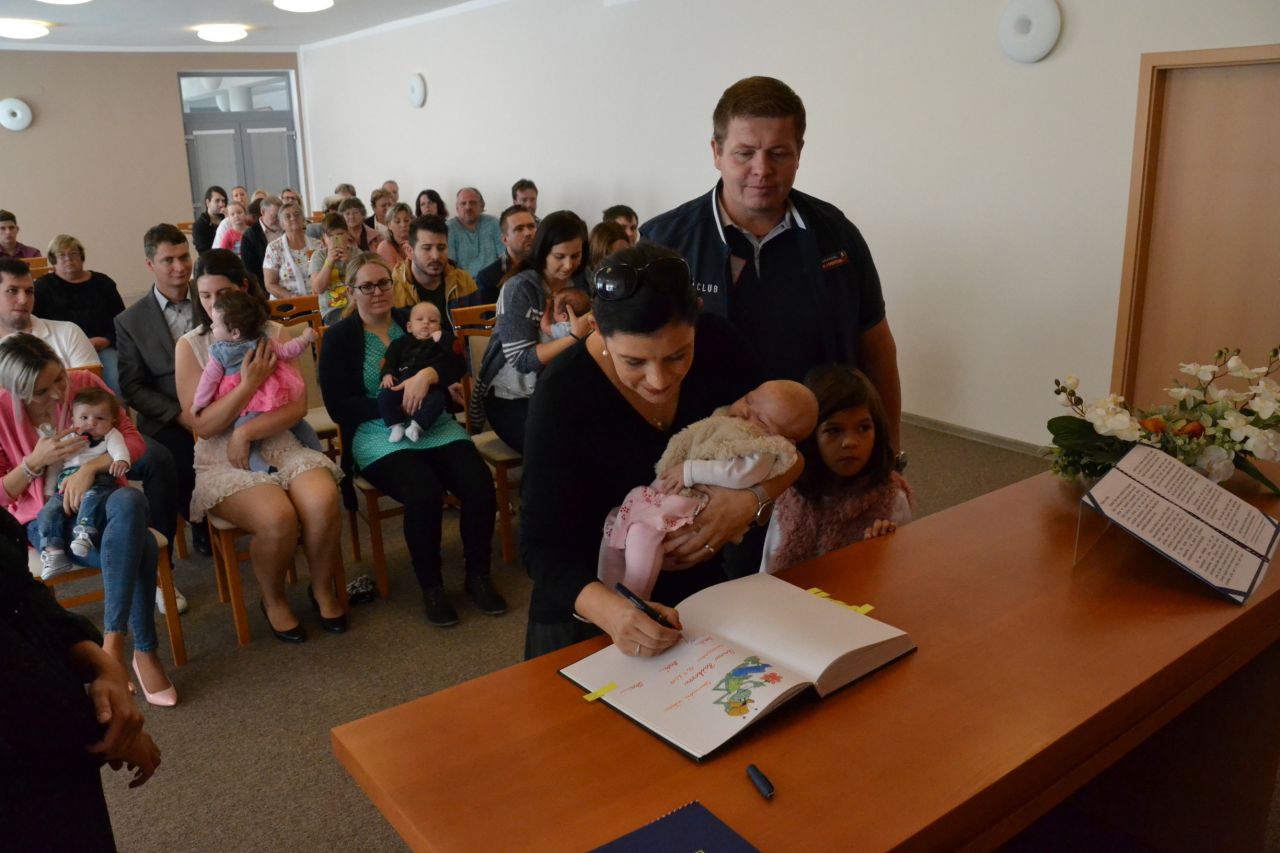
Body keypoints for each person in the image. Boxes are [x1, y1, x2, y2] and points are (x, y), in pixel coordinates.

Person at [521, 242, 798, 659]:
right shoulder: (563, 391)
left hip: (698, 592)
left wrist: (749, 501)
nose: (659, 380)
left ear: (697, 317)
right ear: (596, 328)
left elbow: (788, 451)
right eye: (633, 362)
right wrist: (616, 612)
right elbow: (541, 547)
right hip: (588, 602)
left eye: (678, 355)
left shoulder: (720, 345)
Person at [641, 76, 902, 452]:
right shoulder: (665, 243)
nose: (762, 170)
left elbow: (876, 347)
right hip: (709, 455)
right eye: (745, 153)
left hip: (823, 453)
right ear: (716, 152)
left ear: (799, 152)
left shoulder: (837, 235)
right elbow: (632, 363)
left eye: (778, 153)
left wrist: (890, 453)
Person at [319, 253, 507, 627]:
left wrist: (428, 377)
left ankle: (478, 575)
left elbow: (455, 359)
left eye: (383, 283)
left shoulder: (415, 319)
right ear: (351, 292)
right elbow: (338, 406)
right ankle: (432, 587)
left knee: (478, 484)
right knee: (423, 492)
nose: (377, 292)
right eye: (367, 286)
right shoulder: (339, 337)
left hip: (433, 424)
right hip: (378, 433)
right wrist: (394, 402)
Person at [175, 249, 347, 641]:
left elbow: (296, 406)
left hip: (279, 439)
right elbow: (203, 425)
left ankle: (321, 588)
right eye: (205, 295)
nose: (213, 304)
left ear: (243, 288)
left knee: (322, 500)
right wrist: (249, 384)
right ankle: (274, 600)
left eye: (222, 293)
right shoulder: (193, 345)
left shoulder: (272, 333)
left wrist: (245, 432)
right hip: (223, 457)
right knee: (277, 518)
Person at [0, 333, 177, 705]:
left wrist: (89, 469)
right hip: (47, 520)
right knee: (141, 543)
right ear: (16, 391)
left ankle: (111, 648)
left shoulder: (84, 383)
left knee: (129, 498)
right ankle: (144, 651)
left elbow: (133, 441)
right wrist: (34, 462)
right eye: (41, 391)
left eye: (58, 379)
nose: (57, 394)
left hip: (107, 499)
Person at [1, 504, 161, 851]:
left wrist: (98, 661)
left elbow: (16, 588)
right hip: (26, 764)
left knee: (131, 513)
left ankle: (120, 643)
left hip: (57, 761)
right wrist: (108, 730)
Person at [600, 379, 817, 599]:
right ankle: (609, 592)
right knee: (616, 525)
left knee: (641, 532)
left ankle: (634, 597)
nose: (745, 412)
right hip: (664, 500)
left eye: (761, 419)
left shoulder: (762, 448)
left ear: (782, 439)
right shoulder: (721, 421)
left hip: (691, 506)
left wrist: (689, 471)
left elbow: (739, 474)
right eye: (748, 400)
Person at [115, 224, 212, 571]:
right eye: (168, 260)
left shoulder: (210, 296)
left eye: (184, 257)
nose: (179, 267)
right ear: (150, 264)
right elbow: (132, 386)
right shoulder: (130, 321)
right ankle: (198, 523)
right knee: (177, 459)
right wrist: (179, 415)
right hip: (167, 415)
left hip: (220, 403)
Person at [761, 366, 911, 574]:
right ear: (811, 436)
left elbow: (899, 575)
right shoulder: (790, 494)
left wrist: (878, 549)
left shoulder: (891, 501)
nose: (850, 442)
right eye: (834, 430)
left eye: (863, 428)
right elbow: (768, 568)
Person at [470, 211, 592, 453]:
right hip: (514, 396)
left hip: (566, 389)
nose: (569, 265)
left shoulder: (584, 280)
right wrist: (574, 338)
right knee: (556, 449)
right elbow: (522, 360)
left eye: (575, 256)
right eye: (559, 257)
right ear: (543, 251)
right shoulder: (519, 288)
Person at [191, 285, 319, 473]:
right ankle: (315, 451)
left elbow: (208, 382)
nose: (211, 326)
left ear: (235, 332)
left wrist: (199, 403)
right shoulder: (262, 339)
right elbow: (287, 351)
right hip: (272, 396)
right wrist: (304, 340)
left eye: (215, 325)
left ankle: (265, 467)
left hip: (249, 407)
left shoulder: (220, 353)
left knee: (247, 435)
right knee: (297, 424)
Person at [35, 386, 132, 573]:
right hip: (66, 484)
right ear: (73, 419)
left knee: (93, 500)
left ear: (112, 420)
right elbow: (55, 466)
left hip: (99, 480)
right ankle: (54, 550)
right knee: (48, 512)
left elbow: (120, 449)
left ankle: (85, 533)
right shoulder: (69, 437)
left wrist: (121, 460)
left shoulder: (111, 435)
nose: (91, 423)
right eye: (84, 418)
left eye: (100, 418)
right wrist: (48, 492)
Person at [32, 236, 126, 393]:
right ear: (53, 260)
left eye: (73, 253)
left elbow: (121, 320)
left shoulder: (103, 283)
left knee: (117, 380)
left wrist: (107, 340)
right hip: (60, 351)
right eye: (61, 255)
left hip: (102, 347)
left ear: (82, 257)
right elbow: (36, 323)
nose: (68, 259)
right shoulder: (42, 287)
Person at [0, 258, 100, 372]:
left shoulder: (68, 333)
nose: (23, 300)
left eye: (29, 291)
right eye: (12, 291)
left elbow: (91, 383)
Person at [378, 302, 457, 444]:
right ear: (409, 327)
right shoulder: (400, 343)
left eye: (433, 321)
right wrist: (387, 374)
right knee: (384, 396)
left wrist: (444, 337)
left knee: (438, 400)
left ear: (439, 327)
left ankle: (417, 426)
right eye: (420, 319)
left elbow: (455, 356)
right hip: (402, 383)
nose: (426, 323)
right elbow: (390, 360)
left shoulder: (439, 343)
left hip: (432, 387)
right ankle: (396, 425)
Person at [390, 214, 479, 329]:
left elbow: (479, 332)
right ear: (409, 251)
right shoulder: (393, 289)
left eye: (441, 248)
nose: (436, 256)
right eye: (427, 248)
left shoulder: (464, 282)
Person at [474, 205, 536, 305]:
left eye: (531, 226)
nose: (528, 233)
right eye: (519, 229)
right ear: (505, 239)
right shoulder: (487, 277)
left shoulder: (546, 266)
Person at [262, 201, 320, 299]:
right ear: (282, 224)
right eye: (287, 216)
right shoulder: (274, 248)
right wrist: (291, 297)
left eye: (297, 214)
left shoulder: (318, 245)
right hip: (288, 303)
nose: (293, 218)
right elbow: (270, 284)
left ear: (303, 220)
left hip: (318, 300)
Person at [308, 213, 355, 324]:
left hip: (357, 305)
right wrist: (329, 262)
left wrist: (350, 262)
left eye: (340, 234)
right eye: (330, 236)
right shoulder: (319, 256)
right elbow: (318, 288)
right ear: (324, 238)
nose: (335, 239)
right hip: (332, 309)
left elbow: (365, 281)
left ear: (347, 234)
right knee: (348, 323)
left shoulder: (356, 253)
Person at [447, 187, 503, 278]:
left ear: (482, 205)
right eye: (463, 203)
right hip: (463, 282)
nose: (468, 207)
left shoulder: (494, 223)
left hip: (493, 280)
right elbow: (449, 265)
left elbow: (504, 257)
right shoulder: (449, 228)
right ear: (457, 207)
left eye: (472, 203)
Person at [240, 194, 283, 285]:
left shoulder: (286, 229)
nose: (279, 220)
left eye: (281, 216)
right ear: (263, 212)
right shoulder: (250, 236)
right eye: (275, 216)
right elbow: (251, 271)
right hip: (264, 284)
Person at [376, 202, 414, 269]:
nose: (403, 225)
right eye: (397, 221)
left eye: (406, 220)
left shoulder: (418, 242)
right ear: (389, 225)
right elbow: (393, 274)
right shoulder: (384, 247)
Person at [192, 186, 227, 255]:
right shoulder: (199, 225)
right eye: (217, 200)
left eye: (223, 201)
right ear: (208, 203)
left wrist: (228, 220)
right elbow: (204, 252)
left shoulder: (227, 219)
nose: (221, 204)